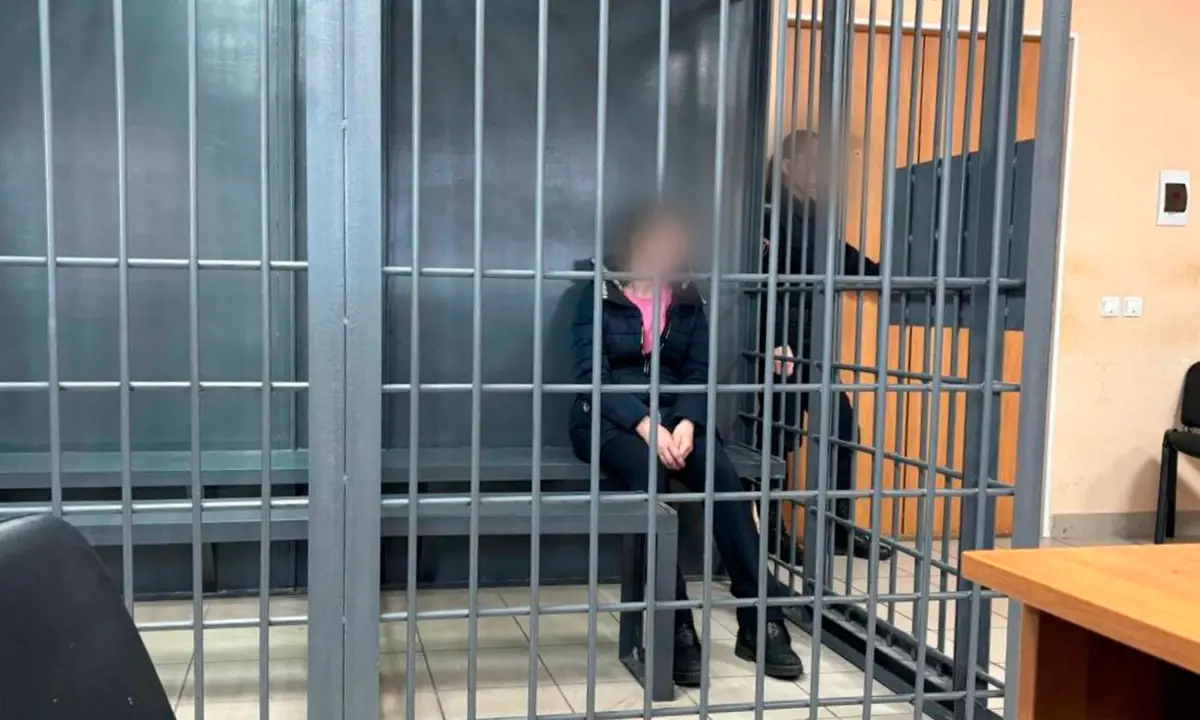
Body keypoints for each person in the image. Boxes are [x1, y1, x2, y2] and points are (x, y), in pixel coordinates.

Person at [568, 203, 804, 686]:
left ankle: (760, 618)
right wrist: (645, 425)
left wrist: (689, 424)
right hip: (610, 419)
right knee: (648, 476)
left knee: (722, 477)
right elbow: (592, 376)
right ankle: (674, 624)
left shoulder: (688, 298)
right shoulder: (598, 291)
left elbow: (698, 373)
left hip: (677, 416)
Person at [757, 129, 892, 561]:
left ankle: (836, 528)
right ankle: (769, 532)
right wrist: (772, 341)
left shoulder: (816, 212)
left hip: (812, 342)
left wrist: (883, 274)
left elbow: (840, 256)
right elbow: (757, 285)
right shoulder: (766, 211)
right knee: (776, 436)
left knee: (842, 429)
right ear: (787, 166)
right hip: (777, 344)